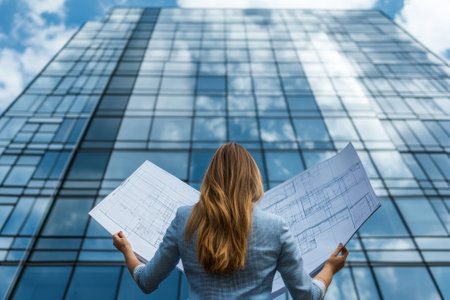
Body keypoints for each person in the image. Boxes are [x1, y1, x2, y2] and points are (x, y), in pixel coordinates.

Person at [113, 142, 348, 299]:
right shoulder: (276, 227)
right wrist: (328, 269)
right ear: (253, 180)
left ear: (211, 178)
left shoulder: (185, 217)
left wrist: (127, 251)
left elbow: (146, 282)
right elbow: (305, 297)